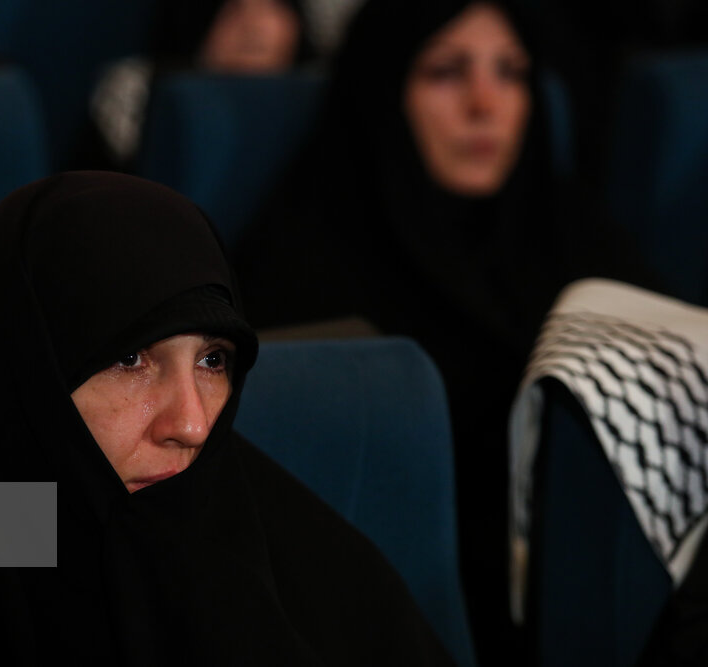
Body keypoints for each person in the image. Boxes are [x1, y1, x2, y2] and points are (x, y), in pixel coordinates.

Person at [235, 1, 657, 663]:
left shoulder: (577, 242)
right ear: (384, 91)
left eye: (511, 72)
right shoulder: (303, 276)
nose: (485, 103)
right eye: (446, 72)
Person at [0, 171, 455, 664]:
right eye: (130, 359)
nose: (192, 426)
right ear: (22, 374)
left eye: (212, 360)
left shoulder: (306, 557)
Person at [77, 0, 314, 170]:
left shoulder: (315, 105)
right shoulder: (138, 89)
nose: (253, 26)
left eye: (273, 5)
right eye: (233, 7)